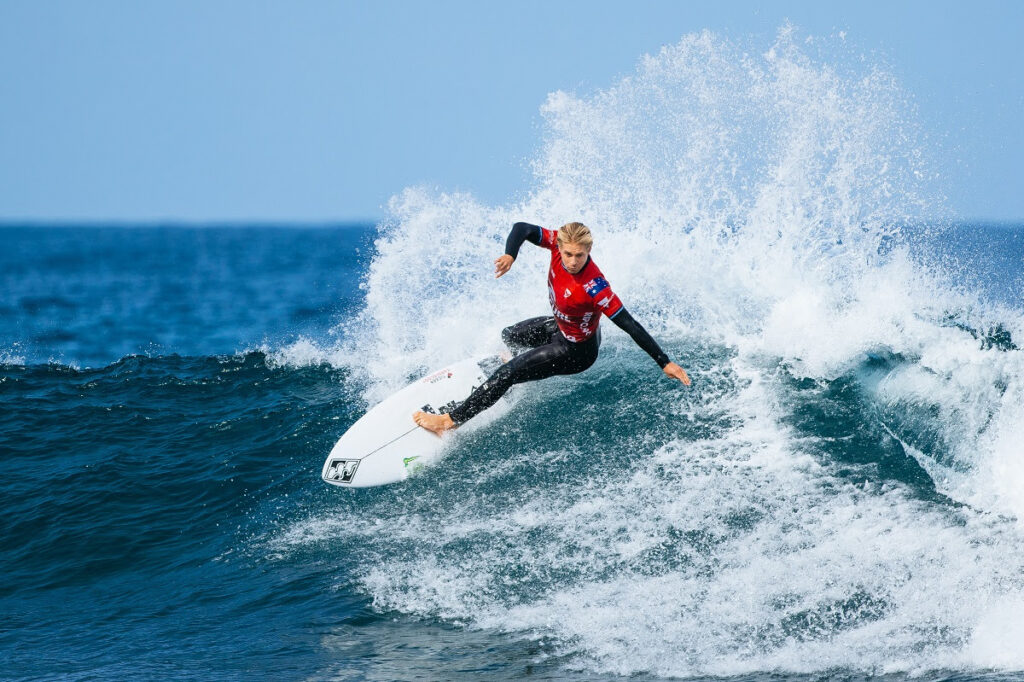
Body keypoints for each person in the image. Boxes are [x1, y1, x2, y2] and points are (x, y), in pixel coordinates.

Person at [412, 221, 690, 435]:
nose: (572, 261)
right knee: (509, 335)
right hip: (559, 327)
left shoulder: (596, 287)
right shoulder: (556, 243)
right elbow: (522, 228)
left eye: (579, 256)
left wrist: (663, 362)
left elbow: (630, 325)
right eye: (568, 254)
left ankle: (450, 421)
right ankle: (510, 378)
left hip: (575, 351)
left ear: (588, 251)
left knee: (508, 373)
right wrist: (511, 255)